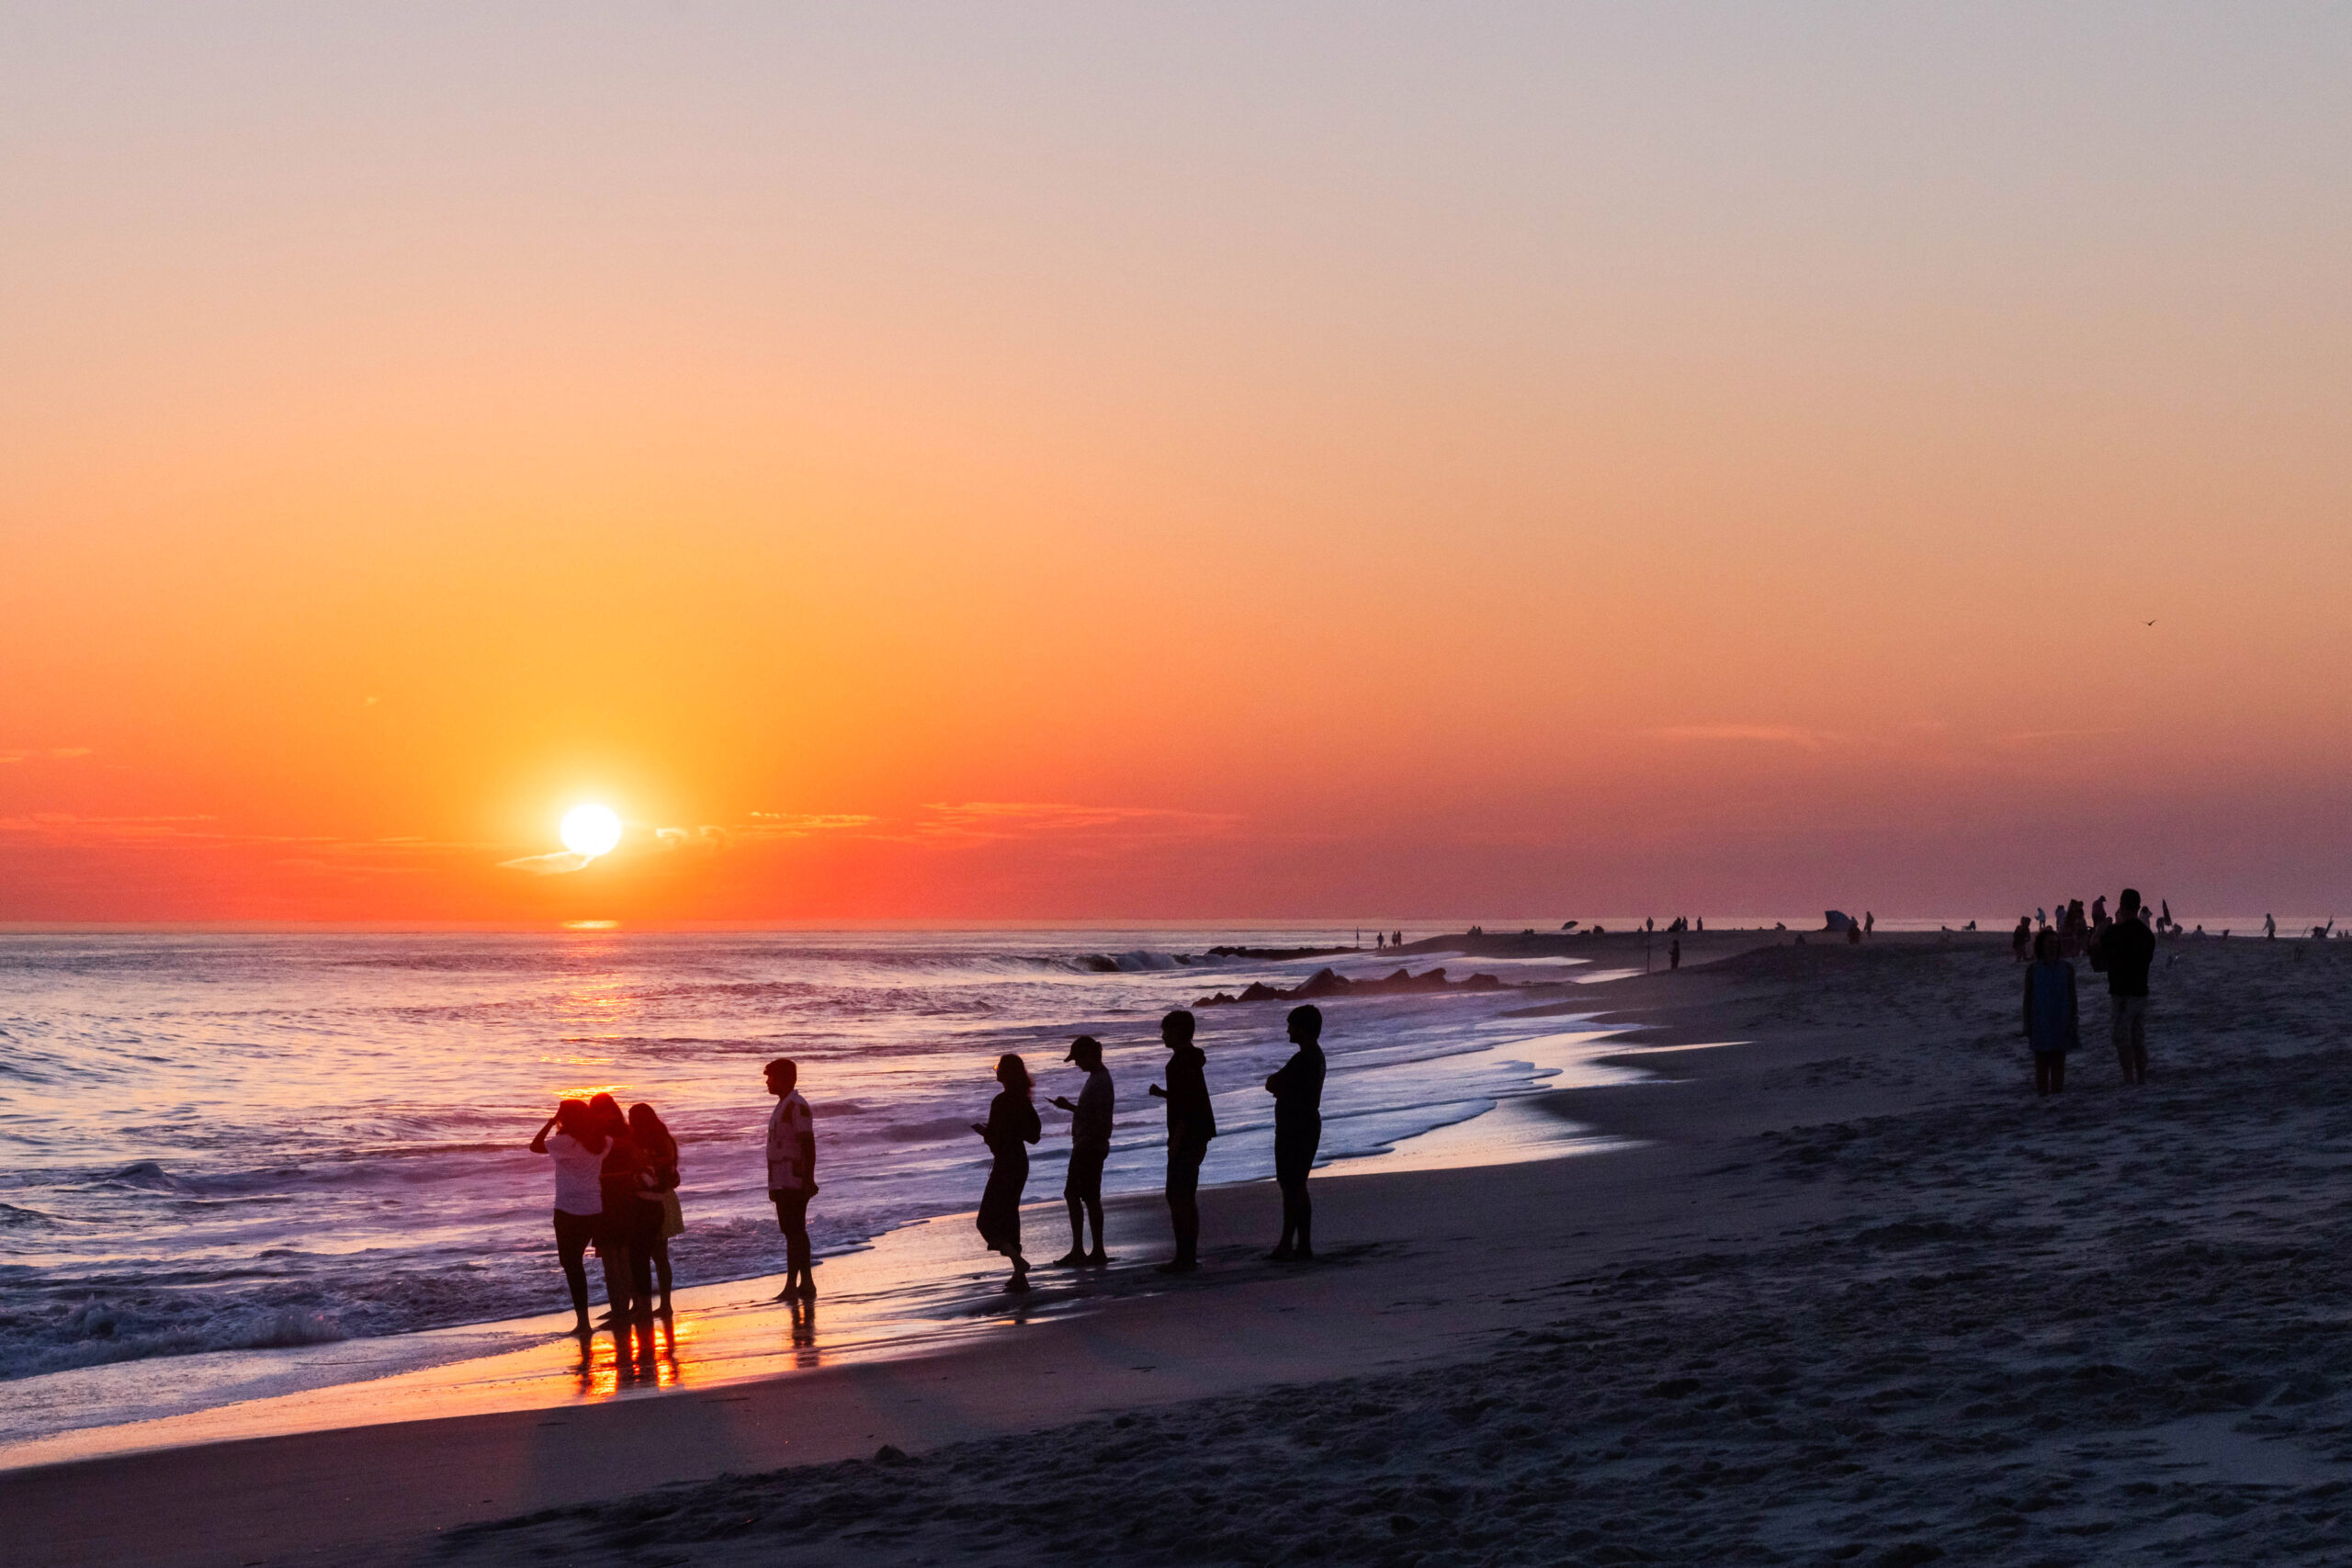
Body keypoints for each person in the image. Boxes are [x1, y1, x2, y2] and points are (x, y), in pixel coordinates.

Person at [529, 1099, 608, 1334]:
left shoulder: (565, 1142)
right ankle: (622, 1308)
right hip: (595, 1207)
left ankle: (583, 1322)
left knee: (572, 1264)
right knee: (606, 1261)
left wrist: (550, 1122)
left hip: (568, 1209)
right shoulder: (601, 1141)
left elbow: (535, 1146)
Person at [1147, 1009, 1216, 1273]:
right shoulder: (1190, 1059)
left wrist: (1175, 1141)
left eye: (1166, 1031)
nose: (1163, 1036)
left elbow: (1186, 1107)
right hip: (1199, 1132)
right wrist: (1164, 1094)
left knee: (1178, 1195)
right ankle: (1187, 1254)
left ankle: (1184, 1257)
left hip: (1188, 1135)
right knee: (1183, 1194)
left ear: (1177, 1032)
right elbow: (1187, 1096)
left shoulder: (1179, 1063)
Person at [972, 1054, 1042, 1292]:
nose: (995, 1071)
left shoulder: (1001, 1101)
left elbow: (995, 1139)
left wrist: (985, 1132)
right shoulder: (1023, 1099)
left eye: (998, 1067)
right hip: (1020, 1162)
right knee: (1011, 1216)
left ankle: (1019, 1262)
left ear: (1006, 1073)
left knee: (986, 1222)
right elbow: (1034, 1136)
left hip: (1005, 1164)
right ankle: (1019, 1277)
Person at [1264, 1004, 1327, 1262]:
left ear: (1303, 1029)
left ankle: (1289, 1244)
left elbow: (1273, 1082)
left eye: (1292, 1025)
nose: (1287, 1030)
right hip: (1305, 1124)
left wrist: (1281, 1089)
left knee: (1292, 1186)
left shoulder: (1304, 1058)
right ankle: (1300, 1245)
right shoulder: (1314, 1056)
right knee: (1296, 1185)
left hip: (1296, 1127)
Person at [1048, 1035, 1114, 1267]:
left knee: (1081, 1196)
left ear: (1088, 1055)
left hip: (1089, 1145)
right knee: (1086, 1196)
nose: (1077, 1064)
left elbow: (1096, 1117)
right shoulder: (1098, 1078)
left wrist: (1069, 1108)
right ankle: (1093, 1250)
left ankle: (1085, 1250)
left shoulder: (1099, 1081)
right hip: (1090, 1144)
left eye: (1078, 1059)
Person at [586, 1093, 649, 1323]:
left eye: (603, 1110)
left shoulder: (600, 1137)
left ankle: (625, 1308)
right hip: (611, 1196)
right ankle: (625, 1307)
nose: (603, 1116)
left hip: (616, 1196)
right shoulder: (619, 1134)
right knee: (614, 1256)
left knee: (618, 1256)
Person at [764, 1058, 818, 1300]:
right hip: (782, 1179)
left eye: (771, 1077)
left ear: (784, 1079)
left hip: (793, 1179)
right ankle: (804, 1283)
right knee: (793, 1231)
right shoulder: (783, 1105)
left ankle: (795, 1285)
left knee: (795, 1231)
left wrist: (808, 1178)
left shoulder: (796, 1106)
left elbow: (808, 1144)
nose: (767, 1081)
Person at [2095, 888, 2156, 1084]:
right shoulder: (2147, 935)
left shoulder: (2115, 932)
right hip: (2140, 991)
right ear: (2138, 907)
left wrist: (2102, 928)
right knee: (2138, 1038)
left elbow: (2095, 948)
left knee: (2122, 1038)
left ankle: (2129, 1077)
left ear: (2121, 906)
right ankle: (2142, 1076)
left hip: (2122, 992)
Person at [628, 1102, 681, 1314]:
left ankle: (662, 1304)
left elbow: (667, 1170)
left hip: (660, 1199)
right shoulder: (662, 1138)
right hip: (663, 1197)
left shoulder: (656, 1140)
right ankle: (658, 1304)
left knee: (656, 1255)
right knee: (655, 1255)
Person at [2021, 930, 2077, 1096]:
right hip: (2040, 1020)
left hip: (2062, 1018)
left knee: (2059, 1059)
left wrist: (2075, 1018)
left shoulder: (2067, 968)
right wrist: (2027, 1023)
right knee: (2041, 1060)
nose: (2052, 947)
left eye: (2055, 943)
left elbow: (2072, 995)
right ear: (2042, 946)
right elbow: (2027, 998)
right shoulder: (2033, 969)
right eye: (2049, 943)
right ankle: (2043, 1094)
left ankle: (2057, 1092)